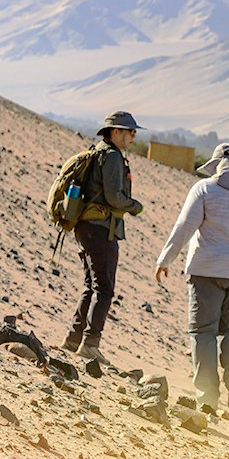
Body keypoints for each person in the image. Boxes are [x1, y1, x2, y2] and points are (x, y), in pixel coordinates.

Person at [154, 143, 229, 409]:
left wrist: (165, 259)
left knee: (203, 331)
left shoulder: (204, 189)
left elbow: (184, 226)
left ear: (217, 165)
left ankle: (207, 395)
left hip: (206, 270)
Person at [60, 111, 146, 362]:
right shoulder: (111, 156)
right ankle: (90, 344)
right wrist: (135, 206)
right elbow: (113, 197)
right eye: (130, 132)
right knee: (104, 289)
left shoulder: (98, 152)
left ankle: (73, 339)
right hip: (100, 229)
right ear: (115, 132)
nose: (133, 136)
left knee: (92, 286)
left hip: (86, 227)